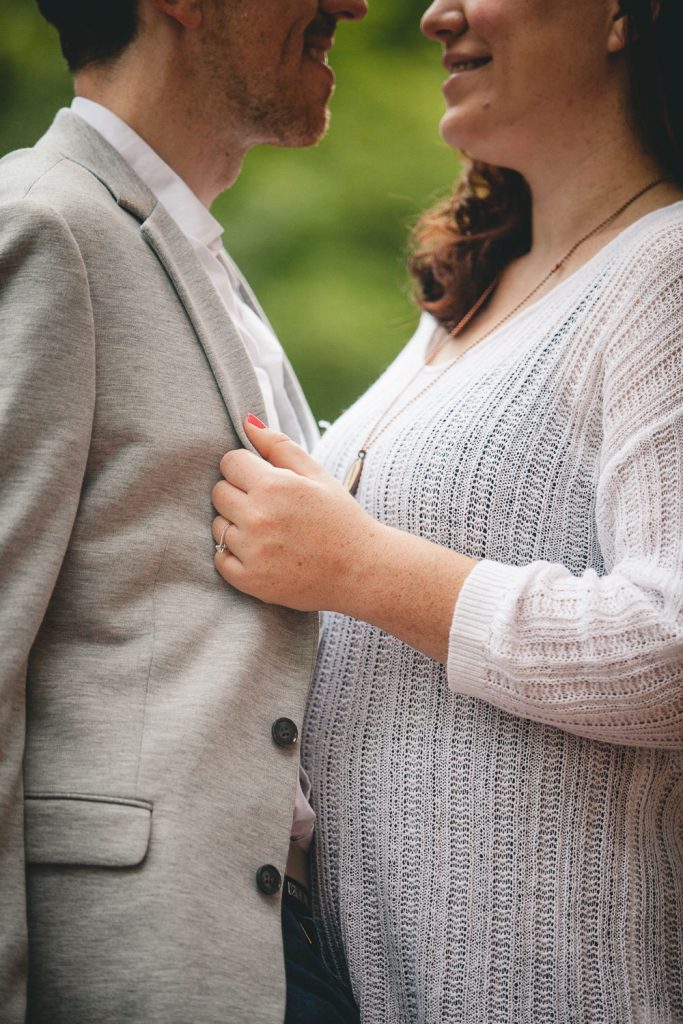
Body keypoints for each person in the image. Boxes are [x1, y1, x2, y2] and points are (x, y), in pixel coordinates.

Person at [211, 0, 683, 1019]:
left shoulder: (665, 267)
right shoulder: (472, 297)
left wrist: (364, 569)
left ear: (617, 14)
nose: (434, 13)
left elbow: (674, 643)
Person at [0, 0, 367, 1022]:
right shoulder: (44, 222)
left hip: (271, 948)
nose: (351, 6)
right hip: (133, 960)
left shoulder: (184, 246)